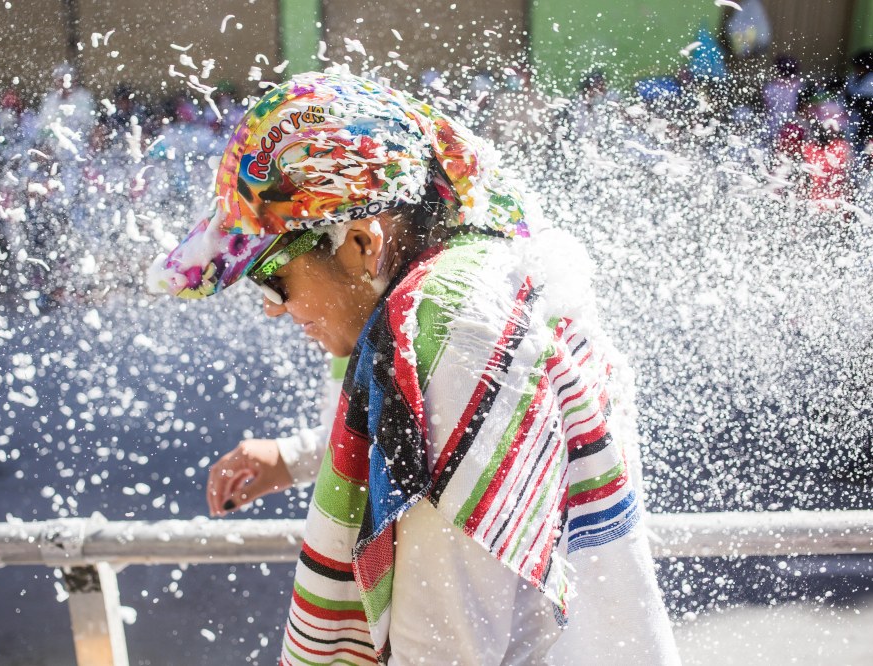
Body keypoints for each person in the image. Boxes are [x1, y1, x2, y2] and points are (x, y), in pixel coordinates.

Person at [149, 70, 678, 665]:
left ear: (360, 242)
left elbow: (443, 647)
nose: (273, 309)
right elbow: (434, 449)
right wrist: (294, 457)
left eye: (272, 279)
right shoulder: (486, 276)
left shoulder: (442, 337)